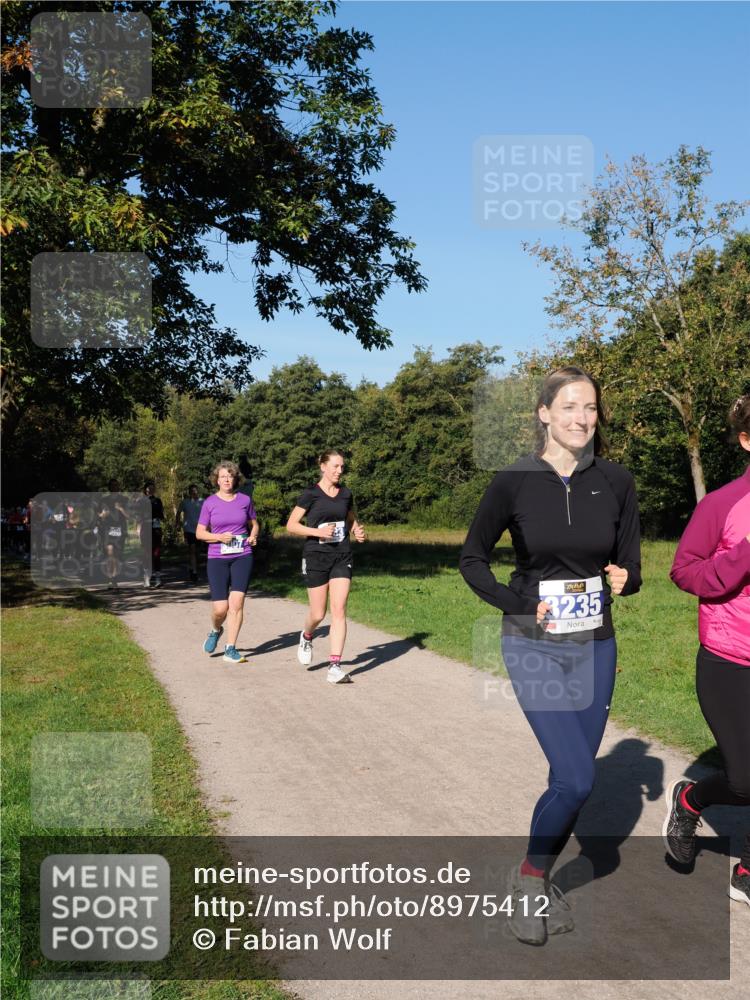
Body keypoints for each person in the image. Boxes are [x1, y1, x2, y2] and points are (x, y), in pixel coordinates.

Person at [459, 366, 642, 945]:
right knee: (578, 776)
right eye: (568, 407)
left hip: (596, 645)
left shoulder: (616, 480)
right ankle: (532, 881)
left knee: (570, 783)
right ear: (543, 414)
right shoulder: (513, 481)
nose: (582, 418)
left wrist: (625, 577)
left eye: (589, 408)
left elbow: (631, 567)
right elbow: (472, 559)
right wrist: (516, 604)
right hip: (533, 643)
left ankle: (530, 878)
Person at [664, 394, 750, 906]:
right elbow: (684, 569)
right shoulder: (722, 504)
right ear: (747, 441)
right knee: (744, 780)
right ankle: (690, 798)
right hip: (729, 659)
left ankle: (745, 871)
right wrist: (742, 559)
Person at [286, 450, 366, 684]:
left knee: (339, 610)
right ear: (323, 466)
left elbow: (350, 519)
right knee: (318, 613)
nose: (339, 471)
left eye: (342, 467)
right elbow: (291, 525)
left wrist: (357, 531)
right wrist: (317, 532)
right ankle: (307, 635)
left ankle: (334, 666)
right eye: (335, 466)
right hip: (316, 556)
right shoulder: (310, 494)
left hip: (342, 555)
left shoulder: (346, 494)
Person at [196, 461, 259, 664]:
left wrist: (253, 536)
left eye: (230, 476)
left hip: (243, 555)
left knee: (237, 603)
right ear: (217, 479)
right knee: (220, 609)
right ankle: (216, 630)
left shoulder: (245, 500)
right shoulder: (210, 503)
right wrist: (218, 537)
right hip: (217, 558)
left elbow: (254, 524)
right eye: (223, 476)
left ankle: (230, 648)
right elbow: (199, 533)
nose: (226, 479)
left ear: (235, 479)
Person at [139, 481, 165, 588]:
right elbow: (138, 516)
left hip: (156, 528)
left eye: (153, 488)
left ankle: (158, 578)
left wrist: (160, 517)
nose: (151, 490)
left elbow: (161, 515)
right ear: (145, 489)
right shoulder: (141, 501)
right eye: (149, 488)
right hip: (145, 529)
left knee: (157, 553)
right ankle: (147, 578)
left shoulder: (158, 501)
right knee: (147, 554)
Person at [176, 484, 204, 582]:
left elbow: (208, 514)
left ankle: (192, 567)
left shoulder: (202, 502)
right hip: (189, 529)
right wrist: (178, 524)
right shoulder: (185, 502)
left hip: (200, 529)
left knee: (198, 552)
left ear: (198, 491)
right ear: (189, 492)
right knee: (192, 549)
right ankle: (194, 573)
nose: (194, 492)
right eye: (192, 491)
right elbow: (178, 513)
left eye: (195, 490)